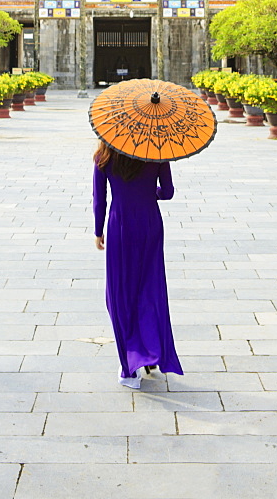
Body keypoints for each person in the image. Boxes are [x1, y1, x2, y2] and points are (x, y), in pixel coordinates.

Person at [93, 140, 183, 389]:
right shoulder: (157, 154)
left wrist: (98, 230)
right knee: (149, 290)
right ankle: (150, 351)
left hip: (120, 226)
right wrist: (148, 192)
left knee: (119, 295)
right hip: (149, 224)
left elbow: (99, 198)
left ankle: (129, 367)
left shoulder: (104, 156)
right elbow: (168, 192)